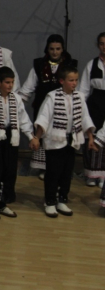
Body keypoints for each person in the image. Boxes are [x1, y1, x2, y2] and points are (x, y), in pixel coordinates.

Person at [0, 67, 38, 219]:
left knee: (9, 172)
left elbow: (23, 120)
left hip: (10, 138)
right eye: (7, 82)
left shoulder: (16, 99)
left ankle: (2, 204)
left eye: (12, 82)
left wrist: (31, 136)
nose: (10, 85)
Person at [35, 66, 96, 218]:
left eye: (76, 80)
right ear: (62, 81)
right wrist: (37, 137)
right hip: (55, 139)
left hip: (71, 138)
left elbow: (85, 117)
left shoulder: (80, 97)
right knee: (53, 172)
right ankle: (49, 201)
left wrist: (91, 137)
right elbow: (44, 117)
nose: (74, 83)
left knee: (67, 171)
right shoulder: (52, 96)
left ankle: (62, 198)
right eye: (71, 80)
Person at [19, 34, 77, 180]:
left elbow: (75, 87)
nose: (55, 52)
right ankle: (44, 168)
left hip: (62, 111)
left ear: (62, 49)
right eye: (52, 49)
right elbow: (28, 87)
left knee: (59, 138)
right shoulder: (39, 65)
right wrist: (17, 103)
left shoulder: (70, 64)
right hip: (42, 108)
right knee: (43, 135)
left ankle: (58, 169)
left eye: (58, 49)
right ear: (47, 49)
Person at [77, 32, 105, 188]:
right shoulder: (92, 64)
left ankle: (104, 176)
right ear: (98, 45)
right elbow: (83, 90)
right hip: (95, 103)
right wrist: (80, 107)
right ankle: (91, 174)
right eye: (101, 43)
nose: (104, 46)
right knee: (92, 137)